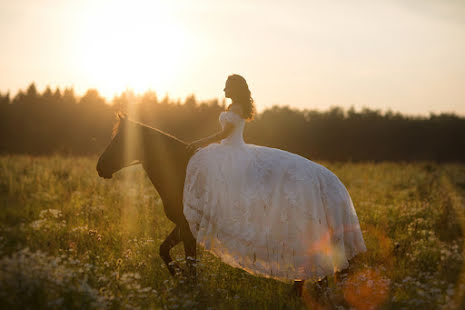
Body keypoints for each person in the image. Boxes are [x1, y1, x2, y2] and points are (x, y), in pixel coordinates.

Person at [183, 74, 366, 294]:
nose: (223, 89)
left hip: (234, 151)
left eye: (227, 86)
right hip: (229, 150)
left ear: (235, 88)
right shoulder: (233, 105)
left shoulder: (238, 107)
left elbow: (225, 133)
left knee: (209, 168)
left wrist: (199, 143)